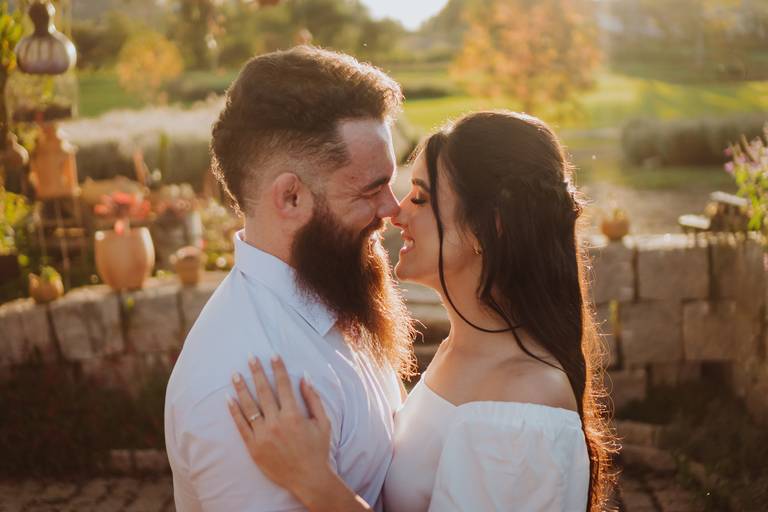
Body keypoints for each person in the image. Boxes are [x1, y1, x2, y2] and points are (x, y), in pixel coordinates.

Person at [227, 110, 618, 511]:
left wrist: (312, 480)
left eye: (422, 197)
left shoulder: (524, 401)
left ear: (490, 226)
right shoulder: (461, 349)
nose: (397, 213)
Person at [164, 46, 416, 511]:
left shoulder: (336, 291)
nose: (392, 209)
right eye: (371, 189)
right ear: (291, 197)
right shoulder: (248, 387)